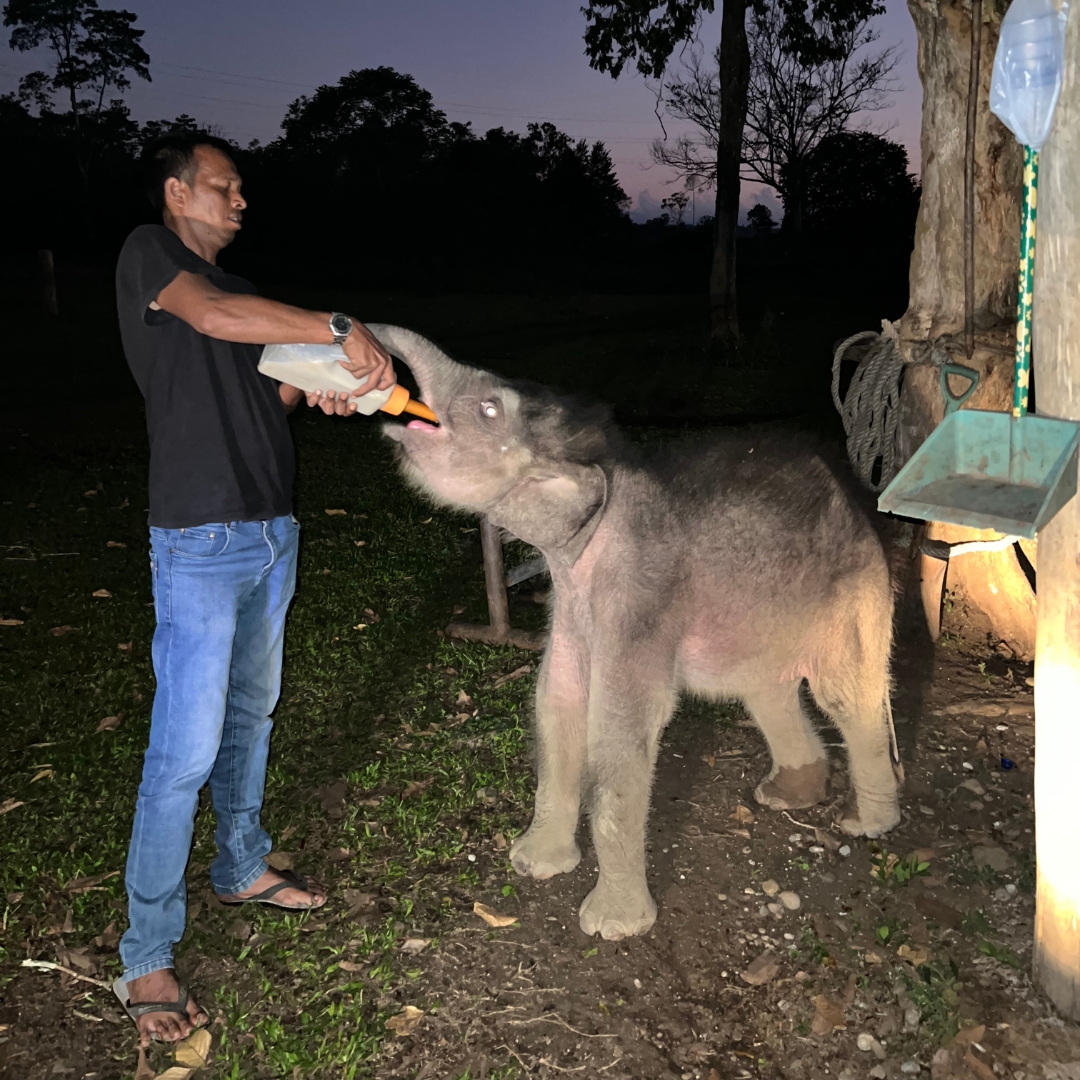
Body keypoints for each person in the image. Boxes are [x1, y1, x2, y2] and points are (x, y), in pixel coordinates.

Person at [113, 132, 392, 1047]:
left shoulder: (242, 294)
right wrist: (339, 329)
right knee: (182, 753)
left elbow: (263, 392)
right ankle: (147, 952)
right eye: (225, 189)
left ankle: (240, 864)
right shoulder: (154, 258)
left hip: (273, 529)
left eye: (240, 191)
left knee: (252, 714)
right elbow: (220, 324)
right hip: (199, 538)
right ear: (177, 192)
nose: (240, 203)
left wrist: (320, 387)